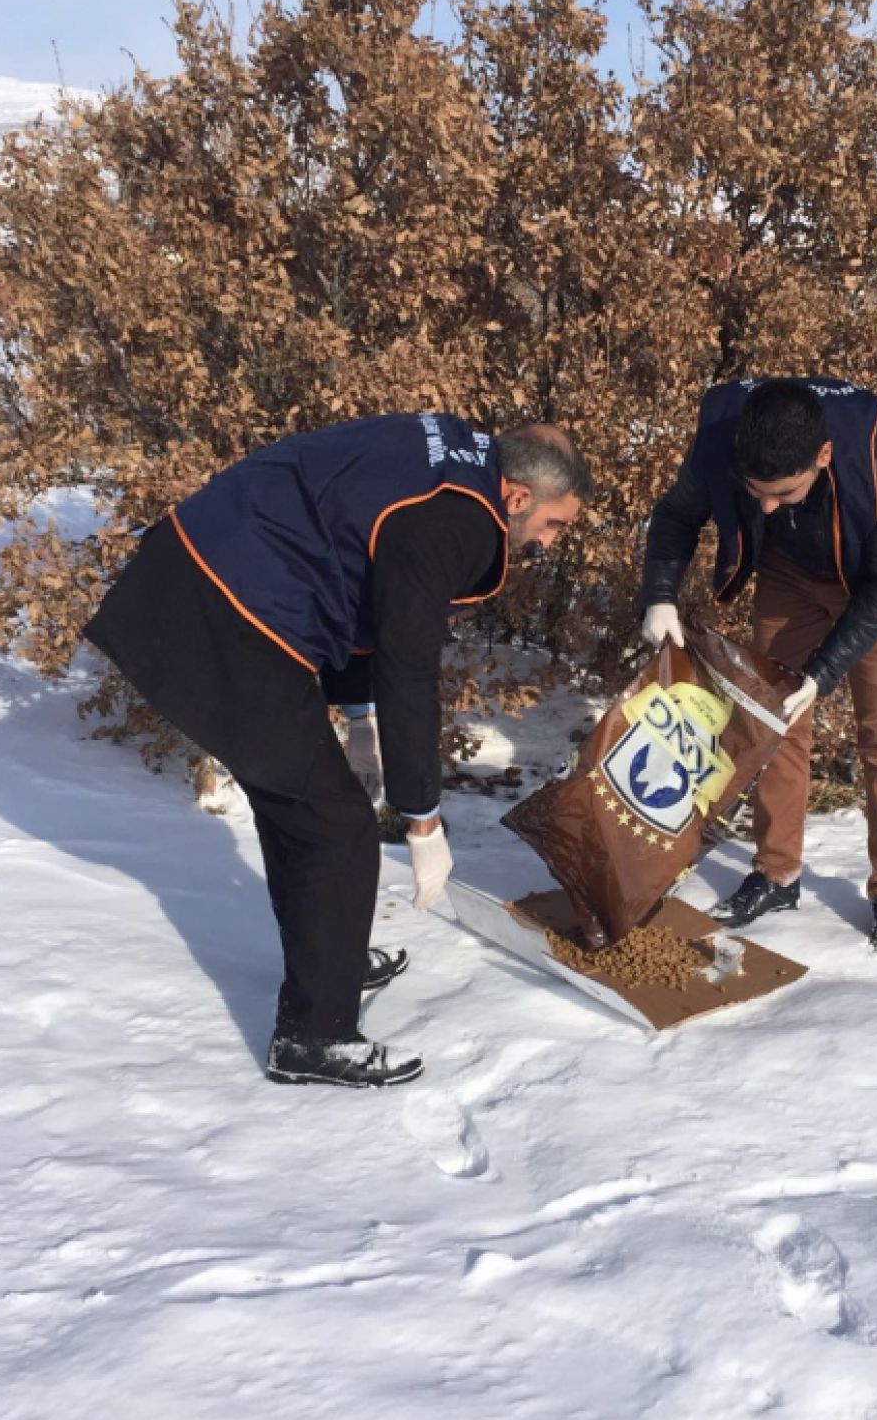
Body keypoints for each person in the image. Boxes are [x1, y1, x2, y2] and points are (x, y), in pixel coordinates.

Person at [85, 412, 592, 1086]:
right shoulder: (460, 518)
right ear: (519, 496)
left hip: (208, 584)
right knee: (337, 825)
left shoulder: (457, 456)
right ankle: (312, 1038)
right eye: (555, 525)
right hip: (218, 611)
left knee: (302, 803)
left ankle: (332, 960)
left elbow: (359, 565)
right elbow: (409, 660)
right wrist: (422, 817)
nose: (550, 542)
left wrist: (358, 714)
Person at [639, 376, 877, 953]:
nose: (768, 505)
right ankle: (776, 872)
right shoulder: (722, 441)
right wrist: (659, 595)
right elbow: (678, 514)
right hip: (790, 574)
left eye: (783, 491)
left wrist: (823, 672)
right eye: (757, 492)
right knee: (774, 722)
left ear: (824, 456)